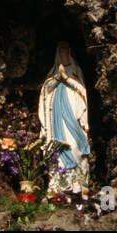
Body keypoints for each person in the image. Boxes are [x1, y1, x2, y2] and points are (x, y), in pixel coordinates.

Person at [37, 42, 91, 195]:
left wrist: (67, 79)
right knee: (57, 150)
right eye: (60, 53)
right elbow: (45, 91)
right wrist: (57, 78)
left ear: (70, 54)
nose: (63, 56)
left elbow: (82, 91)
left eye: (66, 52)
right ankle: (58, 185)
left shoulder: (76, 72)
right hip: (57, 118)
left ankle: (78, 184)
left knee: (74, 146)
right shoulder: (52, 74)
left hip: (72, 116)